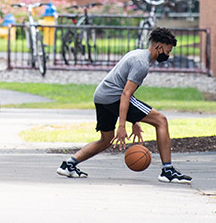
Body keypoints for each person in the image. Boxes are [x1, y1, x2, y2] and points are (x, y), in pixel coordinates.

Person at [56, 28, 192, 184]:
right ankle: (168, 171)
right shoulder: (142, 64)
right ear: (159, 47)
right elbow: (126, 94)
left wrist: (134, 121)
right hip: (114, 96)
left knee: (106, 140)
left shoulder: (138, 54)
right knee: (161, 120)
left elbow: (126, 90)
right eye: (168, 51)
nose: (168, 55)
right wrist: (122, 126)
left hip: (101, 96)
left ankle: (68, 164)